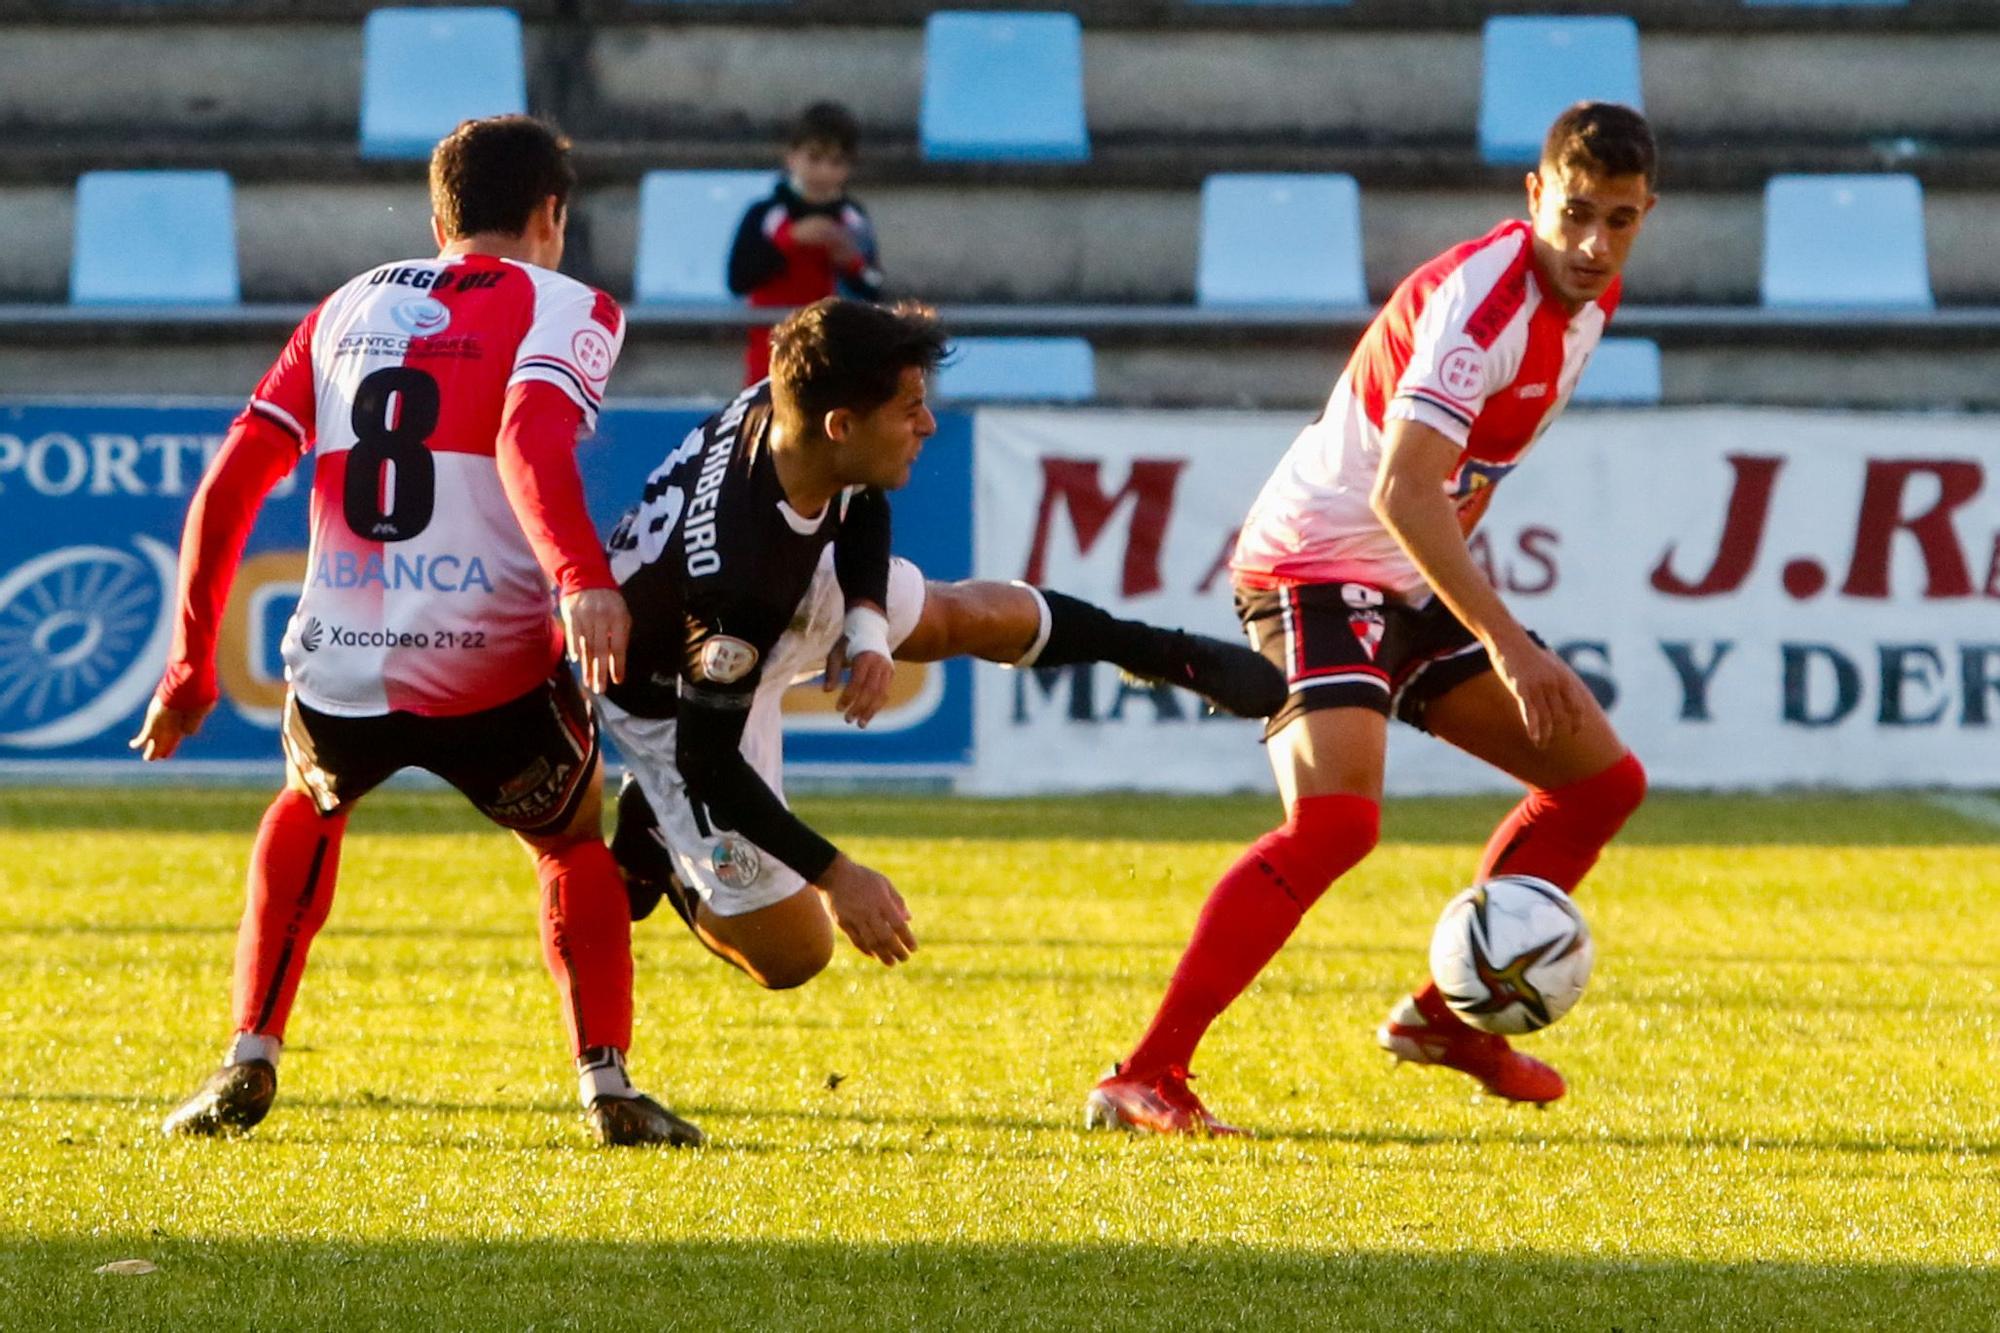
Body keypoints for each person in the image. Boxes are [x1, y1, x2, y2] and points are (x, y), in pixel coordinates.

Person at [1084, 102, 1658, 1135]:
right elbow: (1402, 491)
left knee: (1597, 781)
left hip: (1403, 576)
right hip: (1312, 562)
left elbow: (1433, 502)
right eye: (1573, 213)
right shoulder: (1479, 309)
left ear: (1643, 214)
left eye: (1617, 220)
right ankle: (1145, 1072)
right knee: (1337, 821)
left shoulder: (1588, 297)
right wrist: (1505, 638)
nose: (1591, 243)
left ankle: (1446, 1017)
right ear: (1533, 195)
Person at [132, 115, 701, 1149]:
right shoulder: (567, 303)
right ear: (551, 216)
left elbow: (232, 479)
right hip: (487, 653)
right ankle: (606, 1081)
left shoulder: (346, 304)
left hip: (343, 652)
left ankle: (249, 1053)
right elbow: (526, 433)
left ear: (439, 217)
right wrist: (580, 578)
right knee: (568, 840)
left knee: (310, 801)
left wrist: (189, 659)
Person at [594, 297, 1286, 991]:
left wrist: (866, 625)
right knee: (796, 952)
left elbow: (860, 489)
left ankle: (1163, 652)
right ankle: (655, 834)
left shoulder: (800, 408)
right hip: (670, 699)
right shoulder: (736, 577)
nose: (927, 424)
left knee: (964, 614)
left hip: (774, 593)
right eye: (909, 410)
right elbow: (707, 759)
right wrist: (840, 876)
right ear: (842, 425)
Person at [727, 101, 884, 387]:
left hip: (835, 358)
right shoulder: (765, 215)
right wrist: (791, 242)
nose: (824, 171)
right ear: (792, 157)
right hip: (770, 357)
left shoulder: (853, 220)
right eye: (814, 158)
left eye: (836, 162)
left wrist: (850, 262)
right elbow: (739, 278)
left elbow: (874, 287)